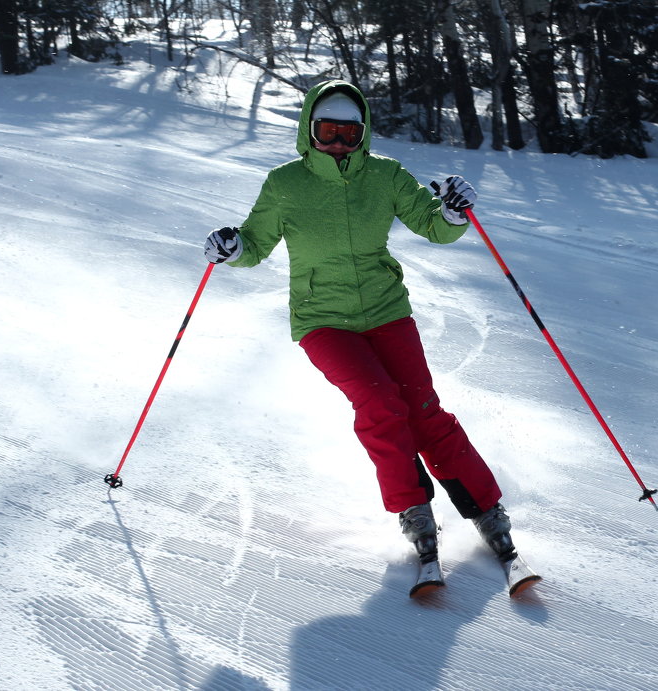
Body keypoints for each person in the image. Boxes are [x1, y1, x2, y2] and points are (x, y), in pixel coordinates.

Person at [204, 79, 522, 574]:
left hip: (386, 309)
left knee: (422, 409)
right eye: (326, 131)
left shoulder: (385, 175)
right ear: (308, 129)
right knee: (379, 402)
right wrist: (233, 248)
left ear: (363, 134)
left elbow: (433, 226)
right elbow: (255, 242)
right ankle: (415, 512)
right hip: (323, 320)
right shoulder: (285, 184)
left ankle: (486, 510)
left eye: (347, 134)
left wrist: (453, 212)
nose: (336, 142)